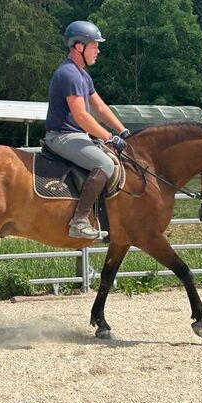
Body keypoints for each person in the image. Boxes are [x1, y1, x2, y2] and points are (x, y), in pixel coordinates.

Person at [45, 20, 131, 240]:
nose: (98, 51)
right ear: (79, 46)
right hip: (62, 136)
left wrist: (123, 132)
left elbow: (100, 108)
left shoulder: (83, 75)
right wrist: (109, 137)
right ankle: (79, 221)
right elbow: (82, 116)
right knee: (104, 164)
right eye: (95, 45)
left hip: (76, 135)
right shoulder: (69, 74)